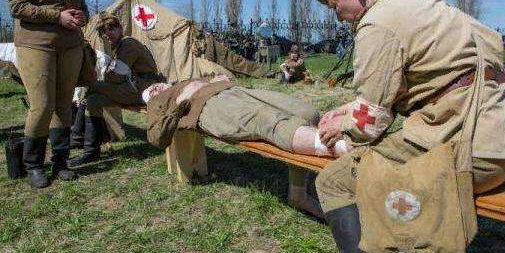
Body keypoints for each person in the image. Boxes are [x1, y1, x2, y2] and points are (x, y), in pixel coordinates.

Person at [309, 0, 505, 253]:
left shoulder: (379, 24)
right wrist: (349, 110)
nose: (338, 16)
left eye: (335, 5)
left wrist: (343, 125)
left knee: (335, 181)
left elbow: (371, 125)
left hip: (472, 150)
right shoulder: (415, 2)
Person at [144, 76, 351, 216]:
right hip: (209, 108)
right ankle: (341, 147)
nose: (157, 87)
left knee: (307, 113)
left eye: (156, 84)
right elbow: (156, 137)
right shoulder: (158, 102)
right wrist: (181, 103)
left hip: (235, 91)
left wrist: (218, 79)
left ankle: (297, 194)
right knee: (265, 119)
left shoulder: (185, 79)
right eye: (152, 90)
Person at [7, 0, 88, 188]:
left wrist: (80, 17)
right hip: (36, 45)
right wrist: (57, 16)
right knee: (42, 106)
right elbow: (17, 7)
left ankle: (61, 162)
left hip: (71, 47)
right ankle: (33, 165)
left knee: (65, 106)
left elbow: (85, 10)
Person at [67, 12, 162, 166]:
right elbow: (114, 75)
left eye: (111, 29)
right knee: (93, 100)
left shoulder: (128, 44)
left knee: (92, 86)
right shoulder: (119, 46)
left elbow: (115, 76)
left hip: (144, 89)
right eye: (103, 32)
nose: (107, 34)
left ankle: (77, 135)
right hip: (132, 87)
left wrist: (98, 79)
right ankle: (91, 151)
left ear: (120, 29)